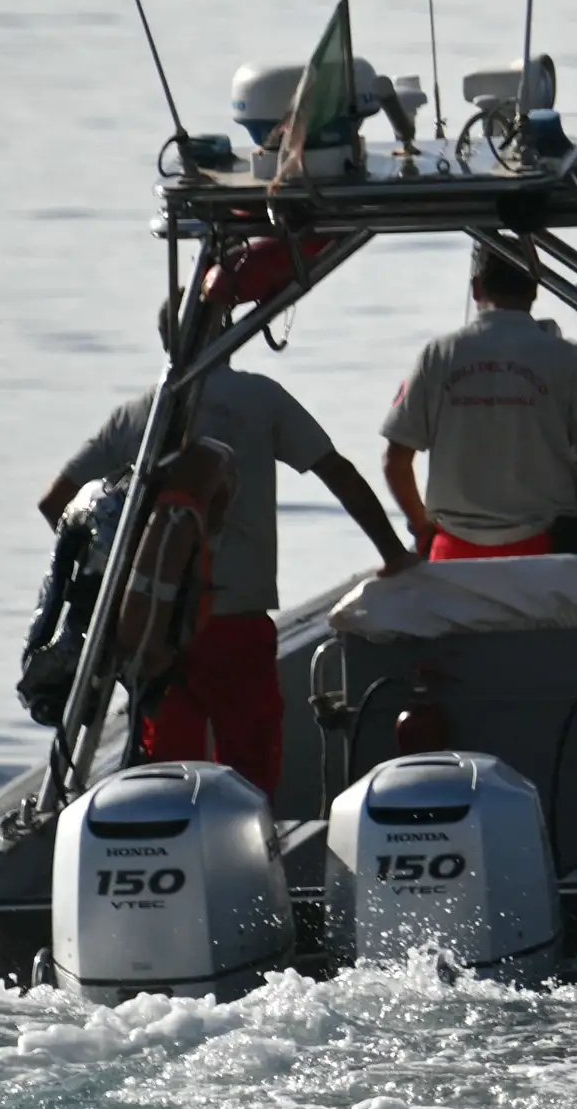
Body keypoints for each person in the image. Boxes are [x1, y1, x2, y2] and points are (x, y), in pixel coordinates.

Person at [39, 237, 416, 792]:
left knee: (167, 767)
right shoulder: (261, 399)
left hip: (156, 631)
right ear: (225, 329)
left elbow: (58, 504)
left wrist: (124, 577)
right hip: (236, 620)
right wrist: (395, 555)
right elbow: (337, 474)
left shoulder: (137, 414)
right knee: (250, 762)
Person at [380, 246, 577, 560]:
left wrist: (422, 526)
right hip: (542, 548)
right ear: (535, 289)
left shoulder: (438, 355)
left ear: (476, 288)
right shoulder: (563, 357)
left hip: (454, 551)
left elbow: (396, 462)